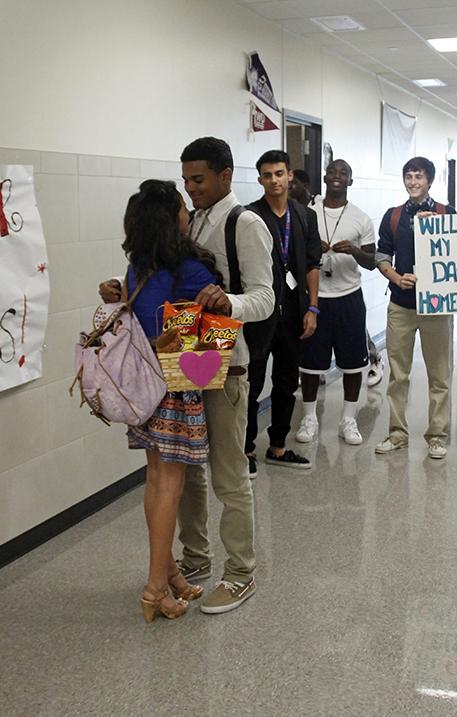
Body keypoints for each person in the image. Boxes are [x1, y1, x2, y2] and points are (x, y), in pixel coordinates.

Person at [175, 137, 275, 612]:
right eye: (186, 180)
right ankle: (195, 558)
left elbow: (265, 297)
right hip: (186, 353)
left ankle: (240, 573)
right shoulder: (189, 221)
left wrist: (228, 302)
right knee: (186, 465)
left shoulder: (245, 223)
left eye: (198, 179)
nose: (190, 188)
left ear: (225, 175)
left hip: (228, 361)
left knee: (229, 474)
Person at [122, 179, 216, 623]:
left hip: (143, 388)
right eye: (181, 205)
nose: (186, 210)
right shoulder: (191, 272)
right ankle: (155, 589)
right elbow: (210, 338)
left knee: (155, 482)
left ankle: (173, 575)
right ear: (171, 218)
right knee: (170, 488)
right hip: (177, 389)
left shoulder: (138, 268)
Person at [244, 150, 321, 474]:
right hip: (259, 316)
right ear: (260, 179)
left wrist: (313, 307)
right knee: (251, 383)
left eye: (279, 173)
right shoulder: (249, 216)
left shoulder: (304, 216)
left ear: (290, 175)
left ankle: (277, 446)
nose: (274, 180)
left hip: (293, 313)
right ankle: (245, 450)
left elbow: (312, 264)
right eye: (267, 175)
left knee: (287, 382)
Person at [374, 157, 455, 459]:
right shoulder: (393, 216)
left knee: (439, 375)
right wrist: (396, 277)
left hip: (436, 307)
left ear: (430, 180)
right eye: (408, 176)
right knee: (398, 374)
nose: (412, 182)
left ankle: (437, 435)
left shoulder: (447, 213)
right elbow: (381, 256)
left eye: (418, 177)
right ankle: (397, 433)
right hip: (401, 305)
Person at [295, 159, 376, 445]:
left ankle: (348, 419)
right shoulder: (307, 212)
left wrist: (354, 251)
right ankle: (309, 417)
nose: (337, 176)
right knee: (310, 363)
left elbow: (372, 262)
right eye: (333, 172)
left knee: (353, 363)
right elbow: (296, 254)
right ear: (325, 177)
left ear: (350, 181)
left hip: (348, 297)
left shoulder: (360, 218)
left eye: (344, 173)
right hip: (316, 298)